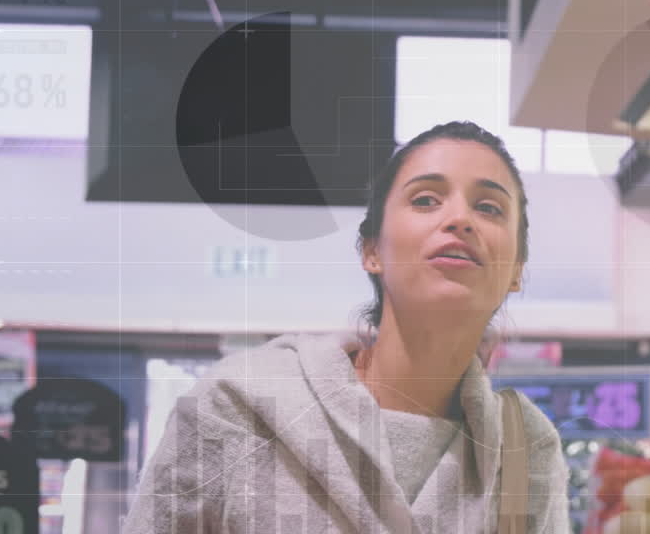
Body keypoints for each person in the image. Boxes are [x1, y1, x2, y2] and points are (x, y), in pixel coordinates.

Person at [123, 121, 570, 533]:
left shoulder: (524, 447)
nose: (459, 219)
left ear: (515, 271)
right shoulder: (240, 407)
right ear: (372, 251)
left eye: (489, 207)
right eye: (425, 200)